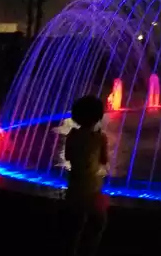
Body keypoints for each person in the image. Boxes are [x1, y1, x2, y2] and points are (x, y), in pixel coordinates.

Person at [65, 95, 109, 256]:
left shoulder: (72, 135)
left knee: (74, 228)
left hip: (74, 186)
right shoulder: (100, 138)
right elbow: (104, 160)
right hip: (92, 189)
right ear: (99, 116)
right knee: (98, 224)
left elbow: (68, 157)